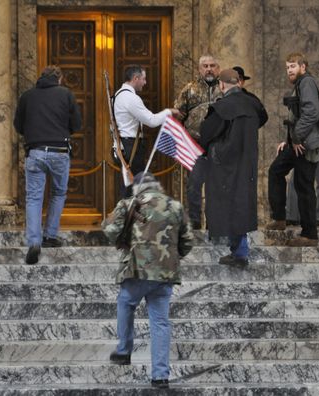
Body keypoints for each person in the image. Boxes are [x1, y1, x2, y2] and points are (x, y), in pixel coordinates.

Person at [102, 172, 193, 389]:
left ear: (137, 188)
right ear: (157, 187)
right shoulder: (176, 206)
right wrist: (171, 256)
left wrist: (125, 240)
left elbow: (109, 229)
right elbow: (188, 241)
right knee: (160, 322)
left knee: (126, 302)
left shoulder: (129, 203)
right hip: (165, 274)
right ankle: (160, 376)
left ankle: (124, 350)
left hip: (137, 270)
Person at [14, 65, 82, 264]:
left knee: (34, 198)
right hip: (60, 151)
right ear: (59, 79)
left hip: (35, 152)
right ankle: (50, 236)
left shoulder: (27, 96)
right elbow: (76, 125)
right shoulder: (66, 94)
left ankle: (34, 241)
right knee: (58, 193)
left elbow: (18, 125)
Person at [199, 69, 268, 265]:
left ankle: (238, 251)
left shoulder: (223, 107)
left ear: (221, 85)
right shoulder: (253, 104)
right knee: (242, 204)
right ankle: (240, 251)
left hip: (226, 163)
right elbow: (263, 118)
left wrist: (212, 150)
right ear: (239, 82)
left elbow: (207, 132)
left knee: (228, 204)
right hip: (247, 162)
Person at [266, 53, 319, 246]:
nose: (289, 70)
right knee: (275, 171)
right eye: (287, 67)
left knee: (304, 187)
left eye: (293, 66)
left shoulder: (307, 83)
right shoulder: (299, 85)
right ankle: (279, 218)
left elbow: (312, 113)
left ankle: (310, 235)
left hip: (305, 145)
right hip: (296, 143)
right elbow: (298, 116)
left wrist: (296, 137)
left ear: (303, 67)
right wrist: (288, 140)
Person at [114, 65, 180, 197]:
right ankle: (128, 216)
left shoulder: (119, 94)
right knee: (133, 188)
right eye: (143, 79)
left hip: (126, 144)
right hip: (131, 146)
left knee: (132, 186)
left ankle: (129, 215)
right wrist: (169, 112)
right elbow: (151, 120)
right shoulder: (130, 98)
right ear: (135, 78)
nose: (145, 83)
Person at [175, 55, 222, 229]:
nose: (209, 69)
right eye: (205, 66)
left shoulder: (223, 88)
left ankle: (214, 222)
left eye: (212, 65)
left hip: (218, 145)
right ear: (199, 69)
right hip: (194, 144)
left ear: (218, 68)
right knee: (194, 184)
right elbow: (179, 114)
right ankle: (195, 222)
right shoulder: (189, 89)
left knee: (216, 185)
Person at [286, 112, 319, 226]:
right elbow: (293, 131)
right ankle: (292, 216)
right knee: (294, 180)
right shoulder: (301, 115)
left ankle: (317, 217)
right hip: (303, 150)